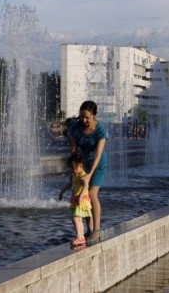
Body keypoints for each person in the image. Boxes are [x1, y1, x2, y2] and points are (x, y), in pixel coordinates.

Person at [69, 100, 107, 246]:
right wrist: (75, 170)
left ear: (94, 116)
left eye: (87, 117)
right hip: (83, 165)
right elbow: (74, 150)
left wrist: (90, 174)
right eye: (82, 117)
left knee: (92, 194)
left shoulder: (100, 130)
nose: (84, 120)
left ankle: (96, 229)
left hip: (98, 165)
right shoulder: (74, 129)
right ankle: (89, 229)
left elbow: (98, 154)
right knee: (83, 196)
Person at [59, 153, 92, 247]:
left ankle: (79, 237)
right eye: (71, 168)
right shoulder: (75, 175)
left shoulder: (82, 176)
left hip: (81, 200)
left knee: (75, 218)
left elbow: (86, 186)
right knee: (78, 219)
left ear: (80, 165)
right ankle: (81, 236)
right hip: (76, 199)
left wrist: (81, 196)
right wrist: (62, 191)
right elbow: (71, 183)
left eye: (73, 167)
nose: (72, 170)